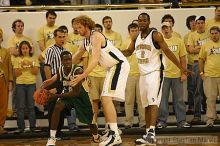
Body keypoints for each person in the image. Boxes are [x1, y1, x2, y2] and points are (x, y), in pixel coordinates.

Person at [121, 12, 189, 145]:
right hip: (143, 75)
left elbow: (168, 52)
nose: (141, 23)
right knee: (146, 105)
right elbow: (128, 52)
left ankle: (152, 133)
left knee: (153, 103)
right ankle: (147, 133)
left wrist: (182, 68)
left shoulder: (155, 35)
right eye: (139, 20)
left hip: (155, 73)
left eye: (144, 20)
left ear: (149, 21)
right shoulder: (136, 37)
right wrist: (114, 51)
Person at [72, 15, 130, 146]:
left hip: (119, 65)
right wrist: (59, 71)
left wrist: (82, 76)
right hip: (111, 68)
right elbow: (74, 58)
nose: (78, 30)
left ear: (87, 25)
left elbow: (95, 60)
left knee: (105, 98)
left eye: (80, 27)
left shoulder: (96, 36)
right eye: (76, 28)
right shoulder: (85, 41)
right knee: (105, 98)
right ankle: (113, 132)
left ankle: (115, 135)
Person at [43, 51, 98, 146]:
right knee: (57, 107)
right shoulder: (60, 69)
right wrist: (44, 89)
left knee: (90, 121)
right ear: (61, 61)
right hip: (68, 93)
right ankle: (52, 138)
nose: (68, 62)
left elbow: (75, 93)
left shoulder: (78, 71)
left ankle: (96, 136)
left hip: (82, 96)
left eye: (69, 59)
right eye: (65, 60)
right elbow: (59, 83)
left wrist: (55, 96)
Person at [157, 22, 191, 129]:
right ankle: (162, 121)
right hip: (164, 76)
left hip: (177, 75)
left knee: (179, 100)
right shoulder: (158, 43)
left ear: (171, 29)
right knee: (162, 100)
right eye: (164, 28)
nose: (166, 30)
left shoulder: (179, 41)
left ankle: (181, 121)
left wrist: (184, 73)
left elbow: (183, 58)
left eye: (167, 28)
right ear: (161, 30)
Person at [120, 23, 145, 129]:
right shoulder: (125, 43)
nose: (134, 32)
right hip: (129, 75)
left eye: (136, 30)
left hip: (141, 75)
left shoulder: (143, 42)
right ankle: (128, 121)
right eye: (132, 31)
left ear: (139, 31)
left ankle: (143, 121)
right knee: (129, 100)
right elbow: (122, 60)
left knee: (141, 100)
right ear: (129, 32)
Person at [13, 40, 39, 133]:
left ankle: (33, 127)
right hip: (20, 84)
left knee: (31, 106)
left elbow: (35, 72)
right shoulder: (17, 59)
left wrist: (28, 65)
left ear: (29, 49)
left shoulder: (34, 58)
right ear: (20, 49)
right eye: (23, 48)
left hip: (31, 84)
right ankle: (21, 127)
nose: (25, 50)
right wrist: (23, 66)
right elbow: (16, 74)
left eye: (26, 48)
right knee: (20, 107)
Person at [187, 15, 209, 123]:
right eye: (198, 23)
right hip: (197, 64)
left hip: (209, 63)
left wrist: (198, 48)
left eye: (202, 23)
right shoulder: (192, 35)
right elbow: (191, 50)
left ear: (205, 24)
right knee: (197, 90)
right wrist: (203, 48)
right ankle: (197, 115)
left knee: (210, 90)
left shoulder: (209, 33)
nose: (200, 25)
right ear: (195, 24)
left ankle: (211, 114)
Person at [199, 26, 220, 127]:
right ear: (210, 35)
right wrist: (202, 73)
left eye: (216, 33)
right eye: (212, 33)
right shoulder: (205, 45)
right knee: (210, 99)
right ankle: (210, 120)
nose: (214, 35)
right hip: (210, 76)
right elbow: (201, 59)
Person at [37, 10, 58, 82]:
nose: (52, 20)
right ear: (46, 18)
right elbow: (41, 47)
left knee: (57, 83)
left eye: (54, 18)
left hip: (56, 59)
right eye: (50, 18)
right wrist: (50, 56)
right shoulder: (41, 30)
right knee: (46, 83)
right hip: (45, 59)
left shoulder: (58, 28)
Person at [0, 28, 13, 134]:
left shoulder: (6, 52)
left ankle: (0, 126)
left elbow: (9, 67)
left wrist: (10, 81)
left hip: (3, 79)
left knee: (3, 104)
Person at [184, 15, 196, 114]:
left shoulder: (204, 35)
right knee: (191, 87)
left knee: (201, 87)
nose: (193, 23)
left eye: (194, 21)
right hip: (190, 64)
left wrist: (194, 49)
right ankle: (191, 106)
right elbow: (188, 50)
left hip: (201, 63)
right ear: (188, 24)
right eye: (191, 21)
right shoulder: (187, 36)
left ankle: (202, 106)